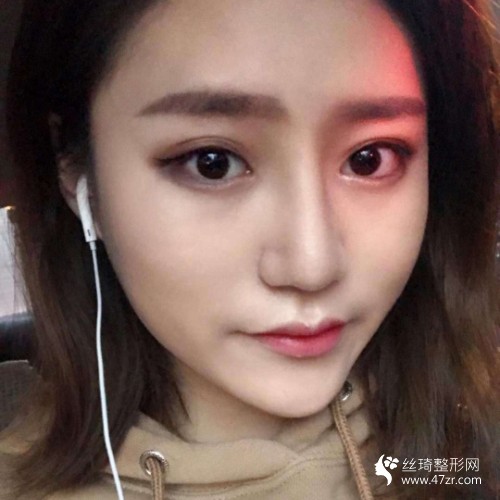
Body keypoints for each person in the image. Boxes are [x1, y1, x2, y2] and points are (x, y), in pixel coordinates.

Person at [0, 0, 498, 498]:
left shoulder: (461, 455)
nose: (311, 266)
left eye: (369, 159)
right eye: (212, 163)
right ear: (77, 174)